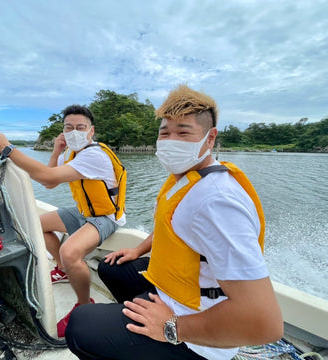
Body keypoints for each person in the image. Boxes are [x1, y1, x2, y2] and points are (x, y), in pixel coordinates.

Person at [65, 85, 283, 360]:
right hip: (180, 291)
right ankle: (139, 337)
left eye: (183, 132)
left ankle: (157, 339)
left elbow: (264, 322)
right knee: (114, 268)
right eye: (165, 132)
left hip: (199, 337)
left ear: (210, 138)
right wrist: (137, 250)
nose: (170, 141)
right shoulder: (187, 177)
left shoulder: (217, 202)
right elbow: (172, 223)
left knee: (80, 325)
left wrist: (171, 327)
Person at [0, 104, 126, 337]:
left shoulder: (94, 154)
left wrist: (7, 149)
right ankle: (62, 269)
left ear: (91, 131)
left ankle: (84, 305)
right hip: (83, 211)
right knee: (36, 225)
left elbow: (46, 175)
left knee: (71, 252)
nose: (74, 132)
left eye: (80, 127)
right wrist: (56, 152)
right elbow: (49, 183)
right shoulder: (71, 154)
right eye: (68, 127)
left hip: (106, 217)